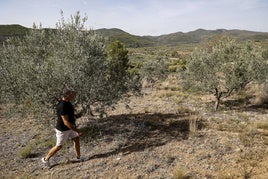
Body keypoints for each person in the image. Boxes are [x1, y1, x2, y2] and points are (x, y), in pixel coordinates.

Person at [41, 89, 83, 168]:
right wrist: (78, 130)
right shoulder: (62, 106)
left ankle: (79, 157)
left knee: (76, 139)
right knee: (58, 146)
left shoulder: (68, 103)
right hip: (63, 130)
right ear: (67, 96)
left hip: (70, 127)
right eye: (72, 94)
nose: (73, 96)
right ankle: (45, 160)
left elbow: (69, 115)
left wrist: (75, 116)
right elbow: (65, 122)